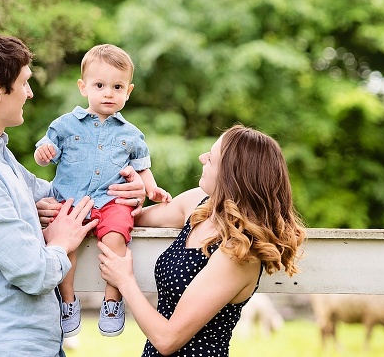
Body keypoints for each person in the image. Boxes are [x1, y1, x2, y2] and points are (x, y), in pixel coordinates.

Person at [0, 30, 146, 357]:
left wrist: (128, 192)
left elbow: (63, 195)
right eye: (24, 83)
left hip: (30, 344)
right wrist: (60, 240)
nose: (29, 94)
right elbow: (34, 271)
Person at [97, 125, 307, 356]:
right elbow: (134, 218)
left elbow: (167, 340)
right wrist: (135, 195)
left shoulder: (238, 253)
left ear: (232, 176)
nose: (201, 158)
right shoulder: (200, 204)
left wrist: (124, 280)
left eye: (211, 158)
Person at [34, 44, 171, 338]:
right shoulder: (65, 125)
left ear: (128, 91)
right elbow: (45, 150)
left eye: (117, 86)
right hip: (72, 201)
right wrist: (43, 154)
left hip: (111, 202)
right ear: (83, 87)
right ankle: (67, 300)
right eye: (100, 85)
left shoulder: (131, 134)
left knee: (115, 239)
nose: (108, 93)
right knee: (65, 244)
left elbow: (142, 167)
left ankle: (113, 299)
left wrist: (153, 189)